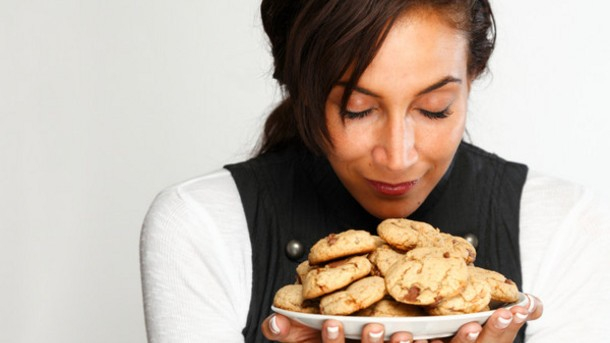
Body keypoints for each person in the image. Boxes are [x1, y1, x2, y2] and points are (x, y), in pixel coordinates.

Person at [140, 0, 610, 342]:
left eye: (434, 109)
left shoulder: (566, 222)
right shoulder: (199, 223)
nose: (398, 155)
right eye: (357, 109)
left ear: (473, 76)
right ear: (301, 91)